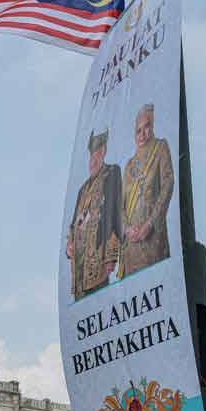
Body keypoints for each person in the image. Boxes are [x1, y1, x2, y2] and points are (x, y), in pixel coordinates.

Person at [118, 103, 174, 279]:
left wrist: (150, 223)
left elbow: (168, 184)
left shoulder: (160, 148)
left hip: (152, 243)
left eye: (147, 127)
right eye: (138, 130)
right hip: (131, 248)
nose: (142, 134)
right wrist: (126, 229)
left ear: (153, 125)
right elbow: (120, 205)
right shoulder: (129, 165)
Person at [67, 129, 122, 301]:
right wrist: (70, 244)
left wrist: (111, 256)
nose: (93, 159)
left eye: (98, 152)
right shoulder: (82, 190)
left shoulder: (111, 173)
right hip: (79, 269)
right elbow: (73, 224)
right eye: (92, 154)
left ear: (104, 151)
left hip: (97, 261)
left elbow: (115, 212)